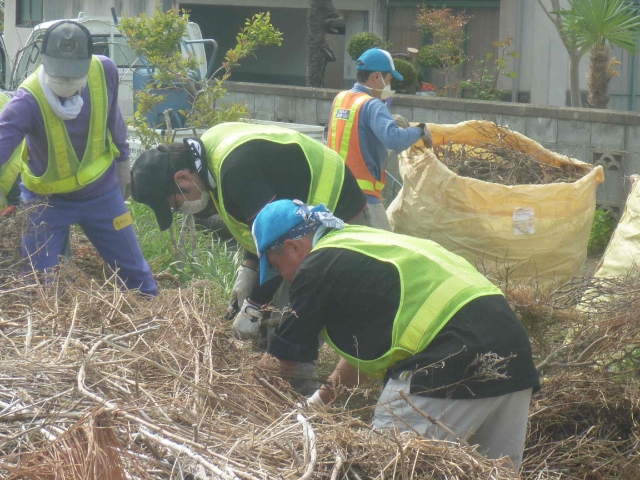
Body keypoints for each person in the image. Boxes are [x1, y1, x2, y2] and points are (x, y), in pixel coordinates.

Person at [254, 199, 540, 470]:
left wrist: (256, 416)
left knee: (384, 468)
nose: (284, 277)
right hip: (513, 354)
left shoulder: (317, 265)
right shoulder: (363, 246)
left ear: (292, 248)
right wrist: (317, 404)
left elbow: (283, 359)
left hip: (449, 361)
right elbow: (360, 358)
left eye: (278, 267)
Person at [130, 122, 367, 393]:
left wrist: (254, 304)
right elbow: (260, 224)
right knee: (277, 302)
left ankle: (299, 386)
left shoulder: (234, 171)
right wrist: (249, 268)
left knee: (298, 300)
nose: (182, 209)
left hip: (336, 205)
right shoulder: (209, 157)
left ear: (183, 178)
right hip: (297, 214)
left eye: (175, 203)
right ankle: (281, 370)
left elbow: (281, 244)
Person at [0, 21, 157, 295]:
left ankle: (154, 323)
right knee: (37, 287)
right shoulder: (26, 100)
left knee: (136, 275)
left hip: (102, 194)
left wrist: (123, 161)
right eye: (59, 76)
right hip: (45, 203)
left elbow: (114, 119)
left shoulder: (104, 70)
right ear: (45, 63)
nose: (66, 84)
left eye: (73, 77)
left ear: (87, 63)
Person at [327, 48, 432, 230]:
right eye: (388, 80)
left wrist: (388, 121)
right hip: (363, 198)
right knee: (383, 251)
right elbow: (394, 140)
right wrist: (419, 131)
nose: (387, 87)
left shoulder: (341, 99)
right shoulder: (372, 104)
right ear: (377, 76)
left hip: (336, 192)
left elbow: (357, 137)